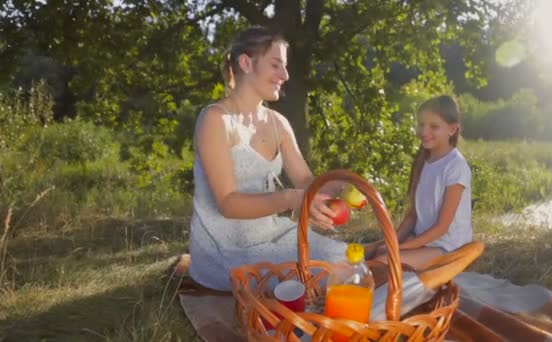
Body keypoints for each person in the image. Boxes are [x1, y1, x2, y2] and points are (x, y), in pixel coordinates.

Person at [188, 26, 347, 291]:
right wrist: (290, 199)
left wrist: (335, 188)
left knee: (350, 258)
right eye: (276, 65)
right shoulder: (215, 120)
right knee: (329, 276)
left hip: (272, 235)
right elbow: (228, 204)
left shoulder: (278, 123)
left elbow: (306, 180)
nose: (285, 75)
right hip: (225, 251)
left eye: (284, 67)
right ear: (246, 63)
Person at [371, 95, 473, 270]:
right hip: (424, 240)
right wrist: (392, 241)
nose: (424, 132)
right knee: (370, 251)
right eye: (421, 124)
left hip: (447, 248)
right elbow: (413, 216)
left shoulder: (456, 166)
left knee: (381, 263)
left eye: (434, 126)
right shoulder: (424, 161)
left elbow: (442, 227)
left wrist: (400, 248)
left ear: (452, 129)